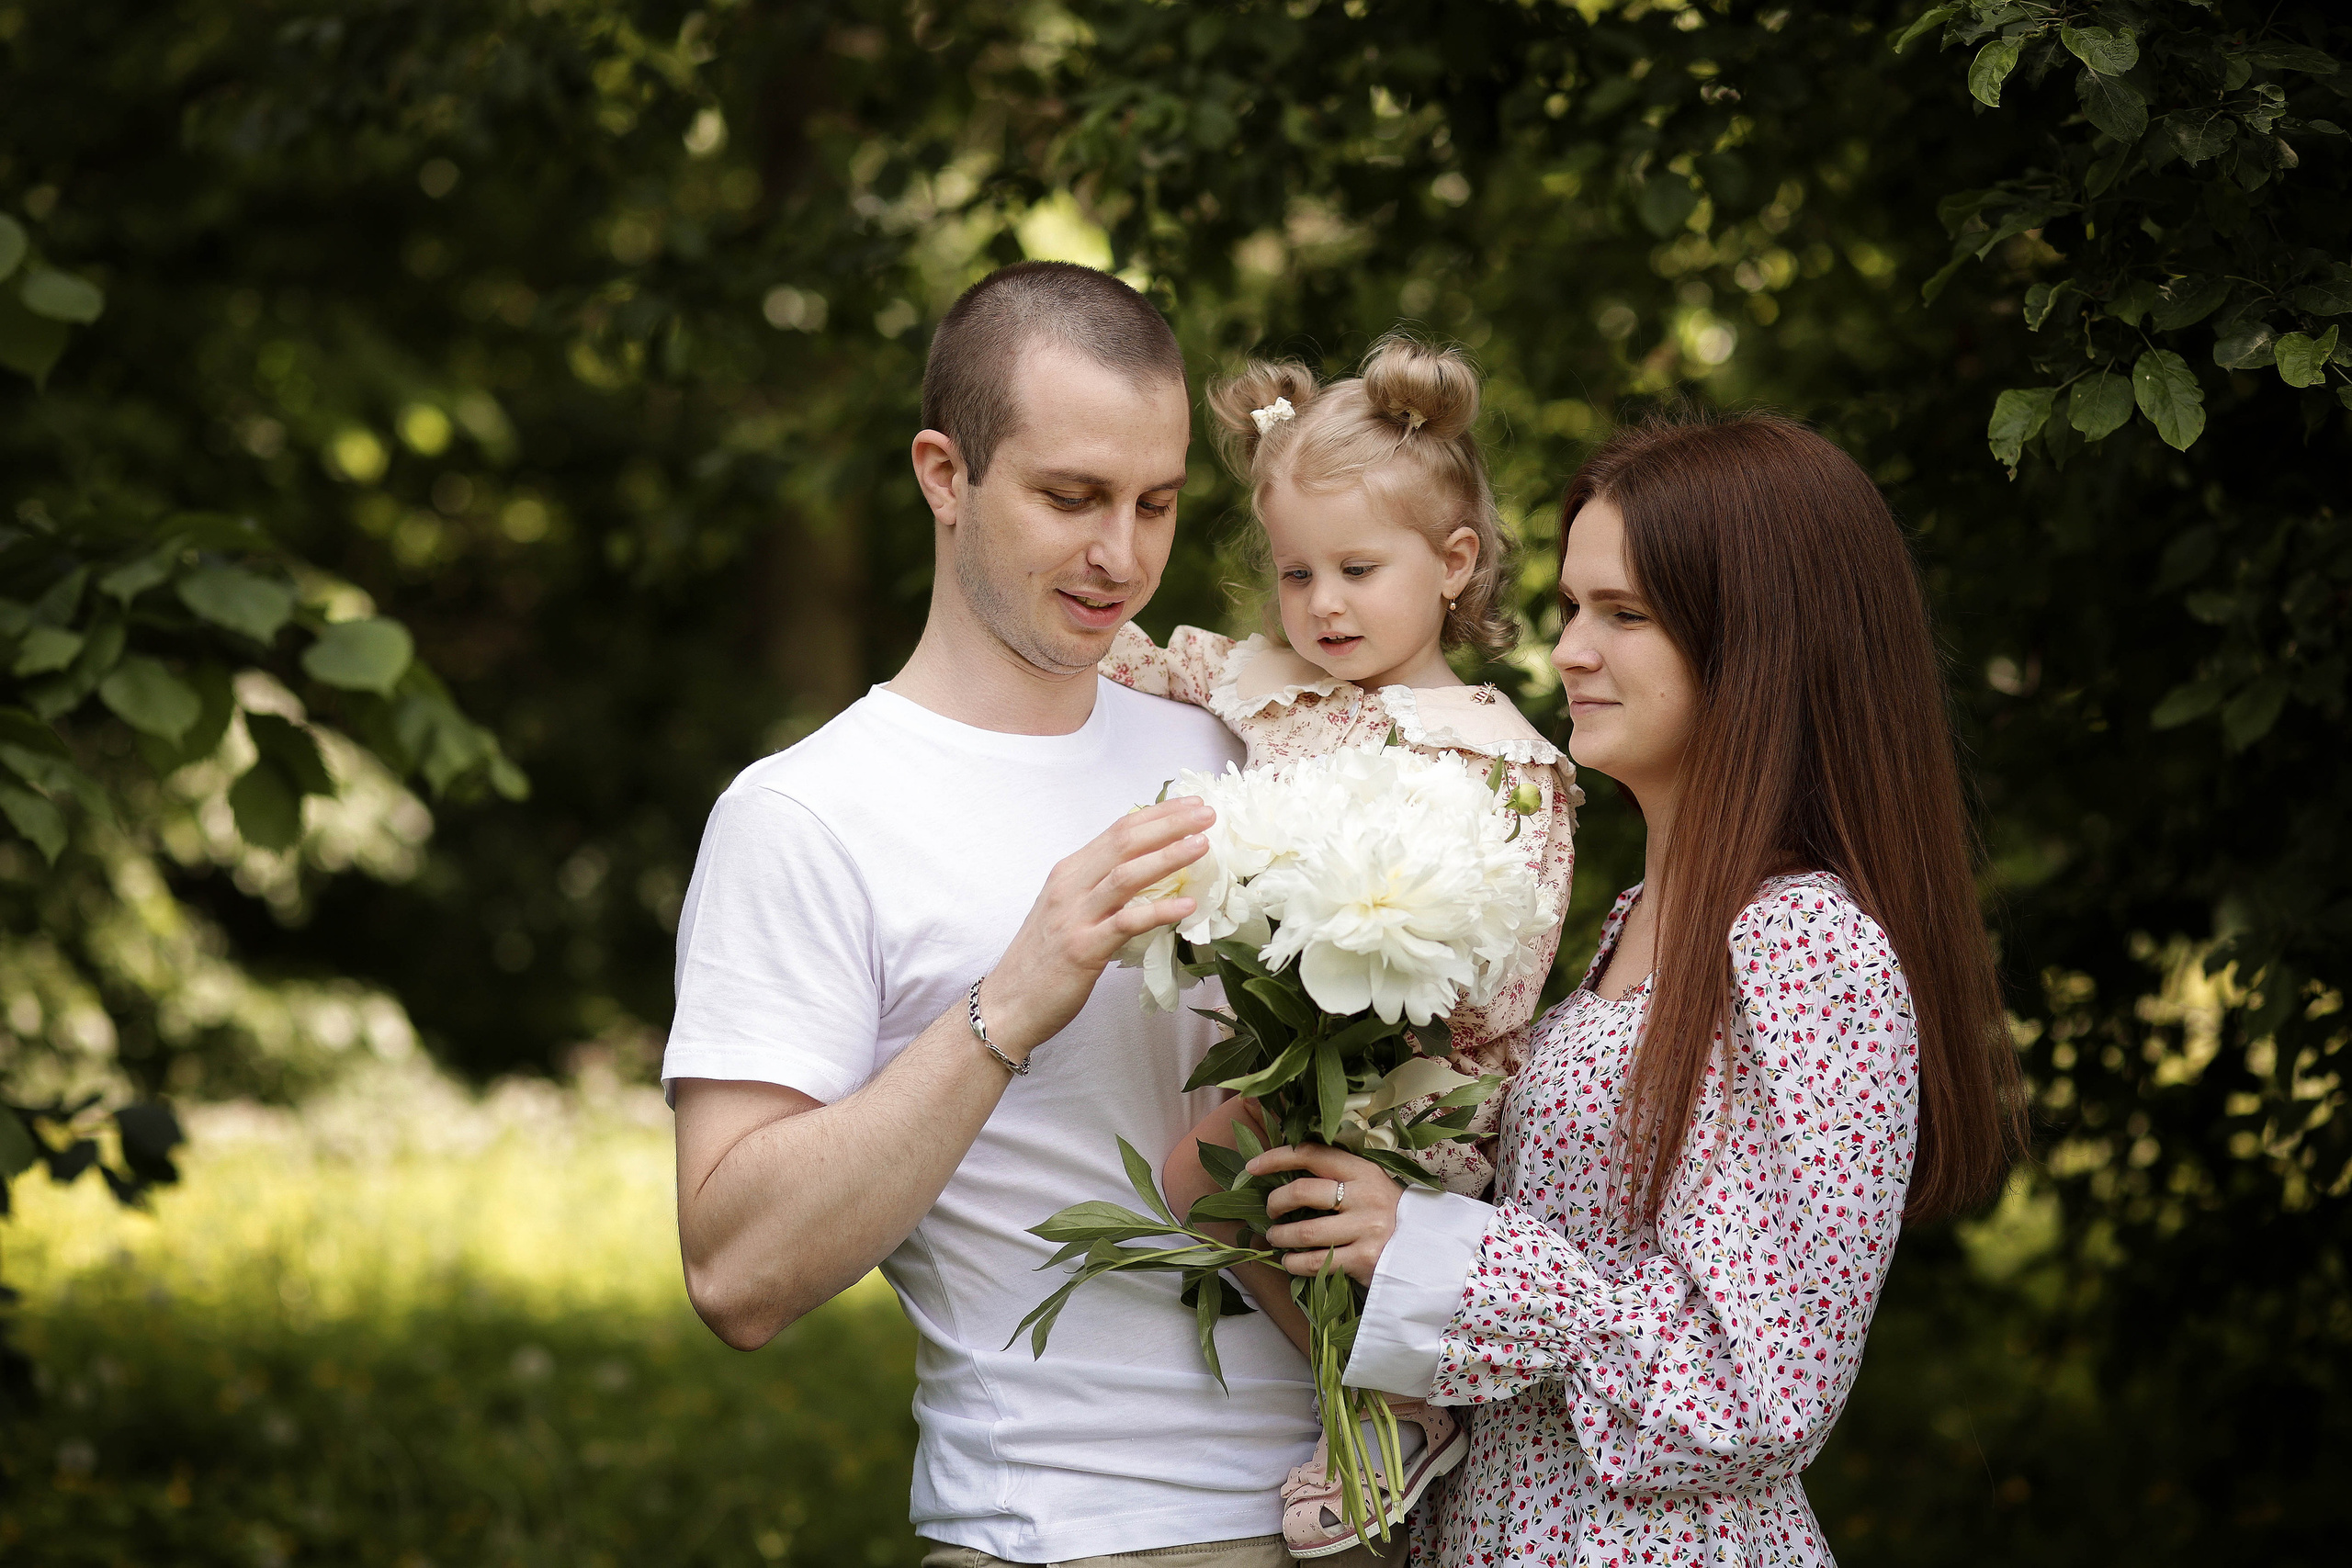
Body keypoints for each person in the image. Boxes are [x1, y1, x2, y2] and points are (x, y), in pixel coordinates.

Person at [1241, 411, 2030, 1564]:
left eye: (1625, 614)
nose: (1567, 650)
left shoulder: (1805, 945)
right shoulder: (1634, 923)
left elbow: (1762, 1389)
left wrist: (1437, 1246)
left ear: (1759, 643)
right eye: (1570, 607)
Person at [663, 260, 1338, 1567]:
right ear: (944, 473)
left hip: (1376, 1505)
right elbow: (736, 1273)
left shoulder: (1248, 745)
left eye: (1155, 503)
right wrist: (1007, 1005)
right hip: (1074, 1530)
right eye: (1071, 497)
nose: (1122, 557)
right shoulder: (804, 812)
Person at [1097, 335, 1578, 1556]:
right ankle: (1376, 1391)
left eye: (1359, 568)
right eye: (1297, 569)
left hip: (1425, 1066)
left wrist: (1424, 1065)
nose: (1322, 603)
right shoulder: (1265, 678)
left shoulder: (1494, 751)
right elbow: (1130, 656)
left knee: (1219, 1165)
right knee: (1210, 1170)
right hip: (1289, 1037)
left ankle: (1393, 1397)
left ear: (1453, 562)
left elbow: (1512, 942)